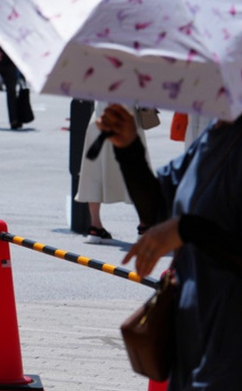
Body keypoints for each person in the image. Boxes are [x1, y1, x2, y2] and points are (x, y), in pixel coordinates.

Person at [98, 103, 242, 390]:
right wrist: (128, 148)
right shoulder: (214, 135)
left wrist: (186, 229)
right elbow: (158, 207)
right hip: (193, 338)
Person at [77, 101, 149, 243]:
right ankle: (144, 226)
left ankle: (95, 227)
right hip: (127, 117)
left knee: (94, 172)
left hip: (100, 118)